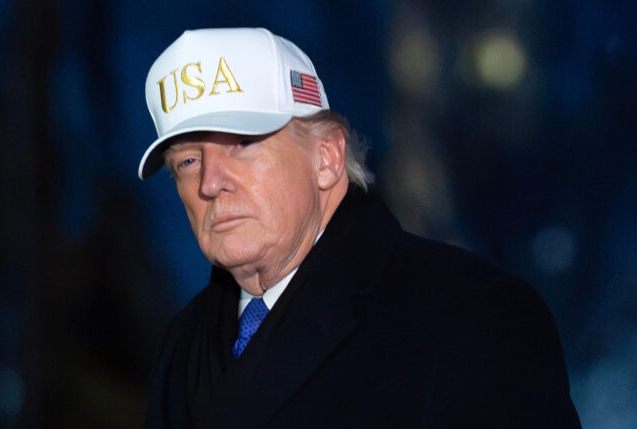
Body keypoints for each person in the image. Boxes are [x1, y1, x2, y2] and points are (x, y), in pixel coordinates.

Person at [138, 28, 581, 428]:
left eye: (242, 143)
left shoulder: (473, 317)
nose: (210, 183)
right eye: (188, 161)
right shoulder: (182, 346)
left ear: (327, 158)